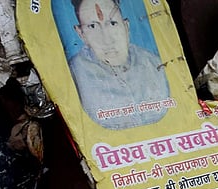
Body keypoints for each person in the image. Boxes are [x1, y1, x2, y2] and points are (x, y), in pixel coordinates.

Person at [68, 0, 171, 130]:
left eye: (112, 23)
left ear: (126, 26)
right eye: (92, 26)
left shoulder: (153, 63)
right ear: (81, 34)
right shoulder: (74, 73)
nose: (107, 39)